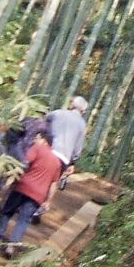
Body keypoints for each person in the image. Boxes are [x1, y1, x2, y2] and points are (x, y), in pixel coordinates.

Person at [0, 129, 63, 253]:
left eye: (38, 138)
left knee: (7, 211)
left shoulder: (38, 148)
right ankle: (12, 245)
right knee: (23, 220)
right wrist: (48, 201)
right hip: (38, 195)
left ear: (45, 141)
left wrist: (12, 180)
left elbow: (24, 163)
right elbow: (54, 184)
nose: (35, 140)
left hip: (23, 186)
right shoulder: (57, 163)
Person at [35, 95, 89, 223]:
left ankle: (23, 197)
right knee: (54, 181)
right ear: (83, 111)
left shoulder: (57, 113)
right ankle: (44, 205)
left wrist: (41, 138)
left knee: (35, 171)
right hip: (64, 156)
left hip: (47, 149)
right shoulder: (82, 124)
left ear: (71, 105)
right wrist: (73, 161)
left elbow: (44, 123)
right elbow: (78, 146)